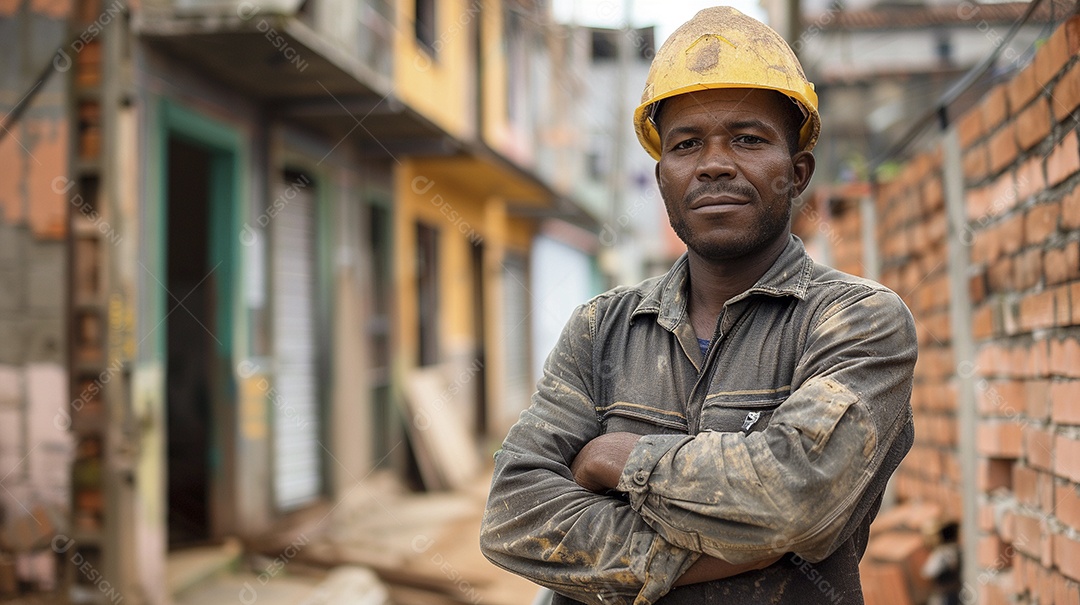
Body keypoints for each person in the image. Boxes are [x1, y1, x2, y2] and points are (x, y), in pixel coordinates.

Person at [479, 6, 917, 605]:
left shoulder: (858, 321)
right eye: (687, 144)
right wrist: (726, 545)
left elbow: (796, 502)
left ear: (798, 172)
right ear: (663, 178)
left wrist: (617, 457)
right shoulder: (601, 328)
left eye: (747, 138)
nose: (714, 163)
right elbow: (513, 515)